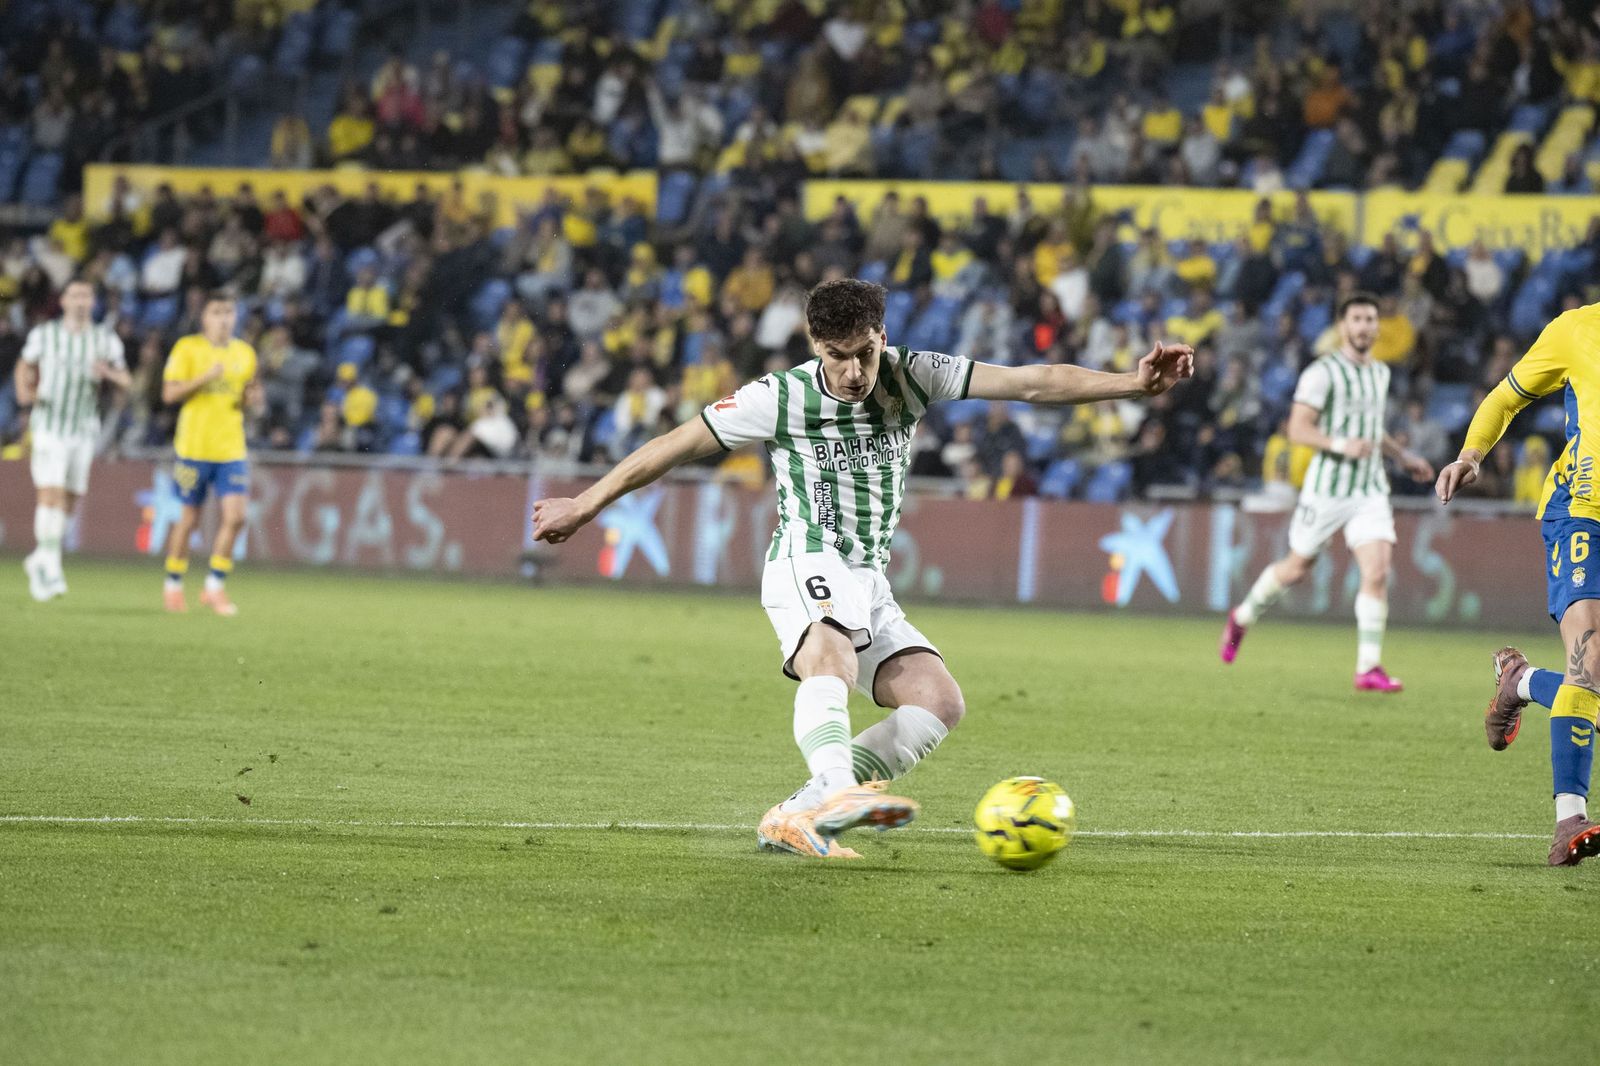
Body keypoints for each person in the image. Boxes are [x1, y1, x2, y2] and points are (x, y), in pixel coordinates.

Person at [531, 279, 1193, 859]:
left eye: (864, 353)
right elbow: (672, 446)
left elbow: (1029, 380)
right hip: (805, 556)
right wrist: (585, 505)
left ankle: (800, 810)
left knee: (939, 702)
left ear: (883, 336)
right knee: (833, 661)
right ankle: (840, 792)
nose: (853, 372)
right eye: (836, 357)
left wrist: (1132, 383)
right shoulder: (779, 398)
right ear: (816, 347)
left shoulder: (914, 374)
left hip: (866, 575)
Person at [1436, 301, 1600, 867]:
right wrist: (1472, 455)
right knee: (1592, 657)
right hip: (1585, 511)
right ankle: (1568, 821)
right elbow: (1507, 396)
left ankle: (1521, 680)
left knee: (1593, 688)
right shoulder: (1577, 329)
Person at [1220, 294, 1433, 690]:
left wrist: (1402, 455)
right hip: (1327, 489)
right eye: (1357, 319)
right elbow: (1298, 427)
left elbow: (1370, 427)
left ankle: (1368, 667)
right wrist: (1340, 445)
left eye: (1371, 319)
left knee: (1378, 570)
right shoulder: (1322, 372)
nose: (1365, 326)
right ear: (1342, 326)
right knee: (1296, 568)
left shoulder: (1380, 373)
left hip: (1369, 488)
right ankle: (1242, 617)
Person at [14, 278, 130, 601]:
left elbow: (126, 380)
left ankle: (40, 558)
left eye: (86, 295)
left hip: (84, 428)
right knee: (49, 493)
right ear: (63, 301)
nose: (80, 300)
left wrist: (108, 374)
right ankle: (51, 565)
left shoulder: (104, 340)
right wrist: (26, 394)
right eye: (75, 295)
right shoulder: (45, 335)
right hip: (50, 424)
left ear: (92, 302)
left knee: (69, 499)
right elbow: (24, 364)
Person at [159, 292, 259, 617]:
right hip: (194, 448)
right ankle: (173, 585)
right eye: (217, 312)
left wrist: (251, 400)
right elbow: (169, 393)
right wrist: (204, 377)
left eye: (229, 312)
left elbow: (245, 398)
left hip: (231, 448)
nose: (224, 318)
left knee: (237, 517)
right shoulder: (188, 349)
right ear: (204, 317)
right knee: (188, 520)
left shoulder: (245, 353)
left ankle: (214, 586)